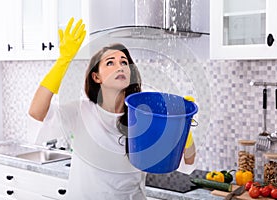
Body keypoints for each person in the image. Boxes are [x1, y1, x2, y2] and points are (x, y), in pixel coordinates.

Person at [28, 18, 196, 199]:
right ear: (96, 77)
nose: (120, 67)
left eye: (124, 62)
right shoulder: (81, 112)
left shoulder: (145, 115)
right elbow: (37, 111)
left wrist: (182, 123)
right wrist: (63, 61)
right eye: (110, 63)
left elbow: (188, 159)